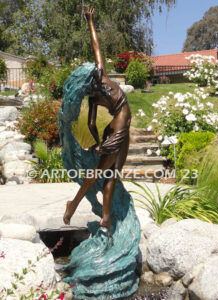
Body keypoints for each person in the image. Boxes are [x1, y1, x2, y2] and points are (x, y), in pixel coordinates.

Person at [63, 7, 131, 236]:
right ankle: (73, 203)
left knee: (112, 174)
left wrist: (90, 21)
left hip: (119, 128)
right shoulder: (100, 79)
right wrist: (98, 144)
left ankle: (106, 218)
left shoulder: (96, 86)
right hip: (119, 127)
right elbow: (97, 47)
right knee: (98, 174)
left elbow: (92, 125)